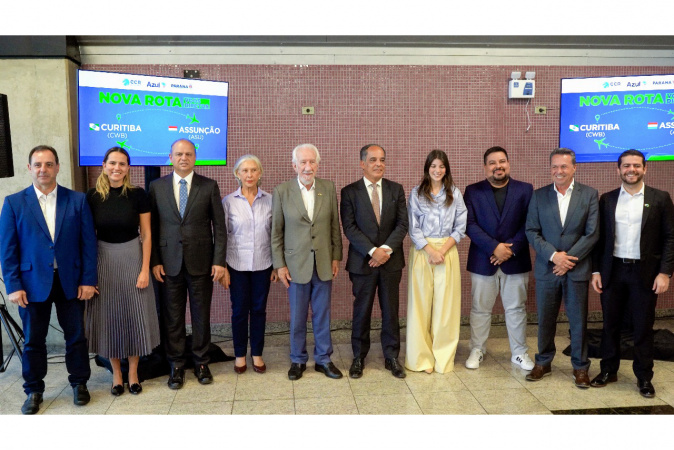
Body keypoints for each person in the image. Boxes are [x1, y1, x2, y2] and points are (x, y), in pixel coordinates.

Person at [0, 145, 97, 414]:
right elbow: (7, 249)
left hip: (71, 281)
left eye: (49, 164)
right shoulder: (14, 203)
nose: (44, 169)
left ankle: (79, 383)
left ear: (57, 167)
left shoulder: (77, 200)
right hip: (31, 286)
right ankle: (33, 389)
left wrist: (89, 280)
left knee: (76, 337)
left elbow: (88, 245)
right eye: (38, 164)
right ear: (29, 168)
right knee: (33, 340)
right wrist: (13, 285)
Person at [590, 149, 674, 398]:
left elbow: (671, 238)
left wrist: (665, 273)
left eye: (636, 165)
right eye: (626, 165)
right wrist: (596, 270)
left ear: (645, 169)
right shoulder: (607, 199)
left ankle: (644, 378)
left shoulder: (660, 199)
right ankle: (608, 370)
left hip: (645, 274)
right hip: (613, 271)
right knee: (610, 325)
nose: (631, 170)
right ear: (618, 170)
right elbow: (599, 240)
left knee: (642, 327)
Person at [149, 139, 226, 389]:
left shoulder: (209, 186)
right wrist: (155, 262)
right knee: (173, 317)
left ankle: (202, 362)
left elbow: (220, 229)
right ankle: (176, 365)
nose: (184, 158)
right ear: (170, 157)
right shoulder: (156, 187)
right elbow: (151, 228)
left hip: (202, 263)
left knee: (201, 315)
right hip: (168, 264)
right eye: (179, 154)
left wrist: (219, 261)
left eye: (189, 154)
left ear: (195, 157)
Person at [85, 147, 160, 396]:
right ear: (104, 165)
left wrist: (144, 269)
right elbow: (87, 238)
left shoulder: (138, 195)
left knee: (134, 315)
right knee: (110, 318)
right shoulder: (91, 196)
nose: (117, 168)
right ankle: (116, 373)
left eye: (122, 164)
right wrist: (90, 275)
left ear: (128, 168)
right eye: (112, 163)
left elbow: (147, 234)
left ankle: (133, 373)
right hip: (103, 260)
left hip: (133, 258)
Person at [525, 147, 599, 388]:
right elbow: (532, 231)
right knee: (545, 318)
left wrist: (568, 260)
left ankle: (580, 367)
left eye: (564, 166)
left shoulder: (589, 194)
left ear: (574, 168)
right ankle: (543, 362)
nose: (559, 171)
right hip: (548, 269)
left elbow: (592, 234)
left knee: (578, 320)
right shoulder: (539, 195)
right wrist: (554, 256)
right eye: (555, 166)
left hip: (576, 269)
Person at [271, 144, 343, 380]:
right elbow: (276, 232)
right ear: (294, 166)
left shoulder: (328, 188)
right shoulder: (282, 191)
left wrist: (335, 257)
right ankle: (297, 359)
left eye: (312, 162)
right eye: (303, 162)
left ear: (318, 164)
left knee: (322, 314)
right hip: (294, 265)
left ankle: (323, 359)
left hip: (323, 262)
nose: (308, 167)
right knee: (298, 315)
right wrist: (279, 265)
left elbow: (335, 226)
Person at [340, 144, 409, 379]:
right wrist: (372, 251)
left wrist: (385, 250)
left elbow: (402, 224)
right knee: (362, 311)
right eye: (372, 160)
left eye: (382, 159)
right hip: (362, 263)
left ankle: (392, 357)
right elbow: (349, 227)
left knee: (391, 311)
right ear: (362, 163)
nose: (378, 164)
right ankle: (358, 357)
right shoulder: (349, 192)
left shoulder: (396, 189)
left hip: (391, 262)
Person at [464, 146, 535, 370]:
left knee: (516, 309)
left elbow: (530, 224)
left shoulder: (525, 190)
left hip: (516, 260)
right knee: (480, 309)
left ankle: (519, 352)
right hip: (483, 259)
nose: (498, 166)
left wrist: (509, 250)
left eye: (502, 161)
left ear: (508, 163)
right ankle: (477, 349)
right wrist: (494, 247)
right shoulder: (473, 191)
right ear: (485, 167)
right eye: (492, 163)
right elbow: (469, 224)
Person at [406, 150, 466, 374]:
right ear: (427, 168)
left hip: (447, 251)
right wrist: (431, 251)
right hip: (423, 252)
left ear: (446, 169)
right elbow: (413, 227)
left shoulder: (455, 194)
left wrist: (442, 251)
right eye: (433, 166)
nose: (437, 170)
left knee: (446, 308)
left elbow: (461, 226)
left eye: (441, 166)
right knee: (420, 307)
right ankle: (421, 359)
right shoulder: (416, 194)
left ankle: (443, 358)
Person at [221, 154, 277, 374]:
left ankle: (257, 354)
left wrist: (276, 265)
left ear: (260, 173)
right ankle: (239, 355)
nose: (249, 174)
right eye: (244, 171)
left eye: (254, 170)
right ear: (237, 174)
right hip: (236, 265)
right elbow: (222, 236)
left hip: (264, 264)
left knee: (259, 310)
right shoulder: (228, 202)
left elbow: (276, 234)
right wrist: (223, 267)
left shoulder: (271, 200)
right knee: (239, 311)